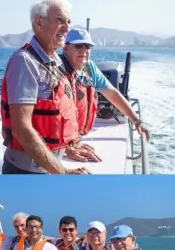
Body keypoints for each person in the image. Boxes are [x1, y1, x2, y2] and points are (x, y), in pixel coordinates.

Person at [0, 0, 89, 174]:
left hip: (49, 167)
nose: (67, 28)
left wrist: (68, 145)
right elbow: (22, 129)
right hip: (26, 174)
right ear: (39, 23)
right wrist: (62, 172)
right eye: (60, 21)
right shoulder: (24, 62)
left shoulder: (54, 60)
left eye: (68, 22)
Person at [59, 28, 150, 163]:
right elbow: (43, 116)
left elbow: (112, 94)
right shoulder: (56, 69)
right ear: (65, 48)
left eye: (88, 46)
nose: (84, 50)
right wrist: (65, 147)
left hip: (74, 140)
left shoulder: (89, 69)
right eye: (78, 45)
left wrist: (136, 120)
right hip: (53, 147)